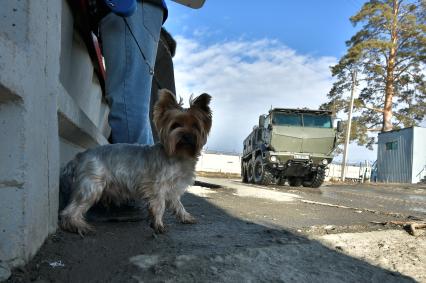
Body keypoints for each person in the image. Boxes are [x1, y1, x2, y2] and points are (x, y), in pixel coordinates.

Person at [98, 0, 168, 145]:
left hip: (129, 7)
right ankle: (148, 168)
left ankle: (137, 169)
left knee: (128, 110)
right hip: (135, 10)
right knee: (131, 110)